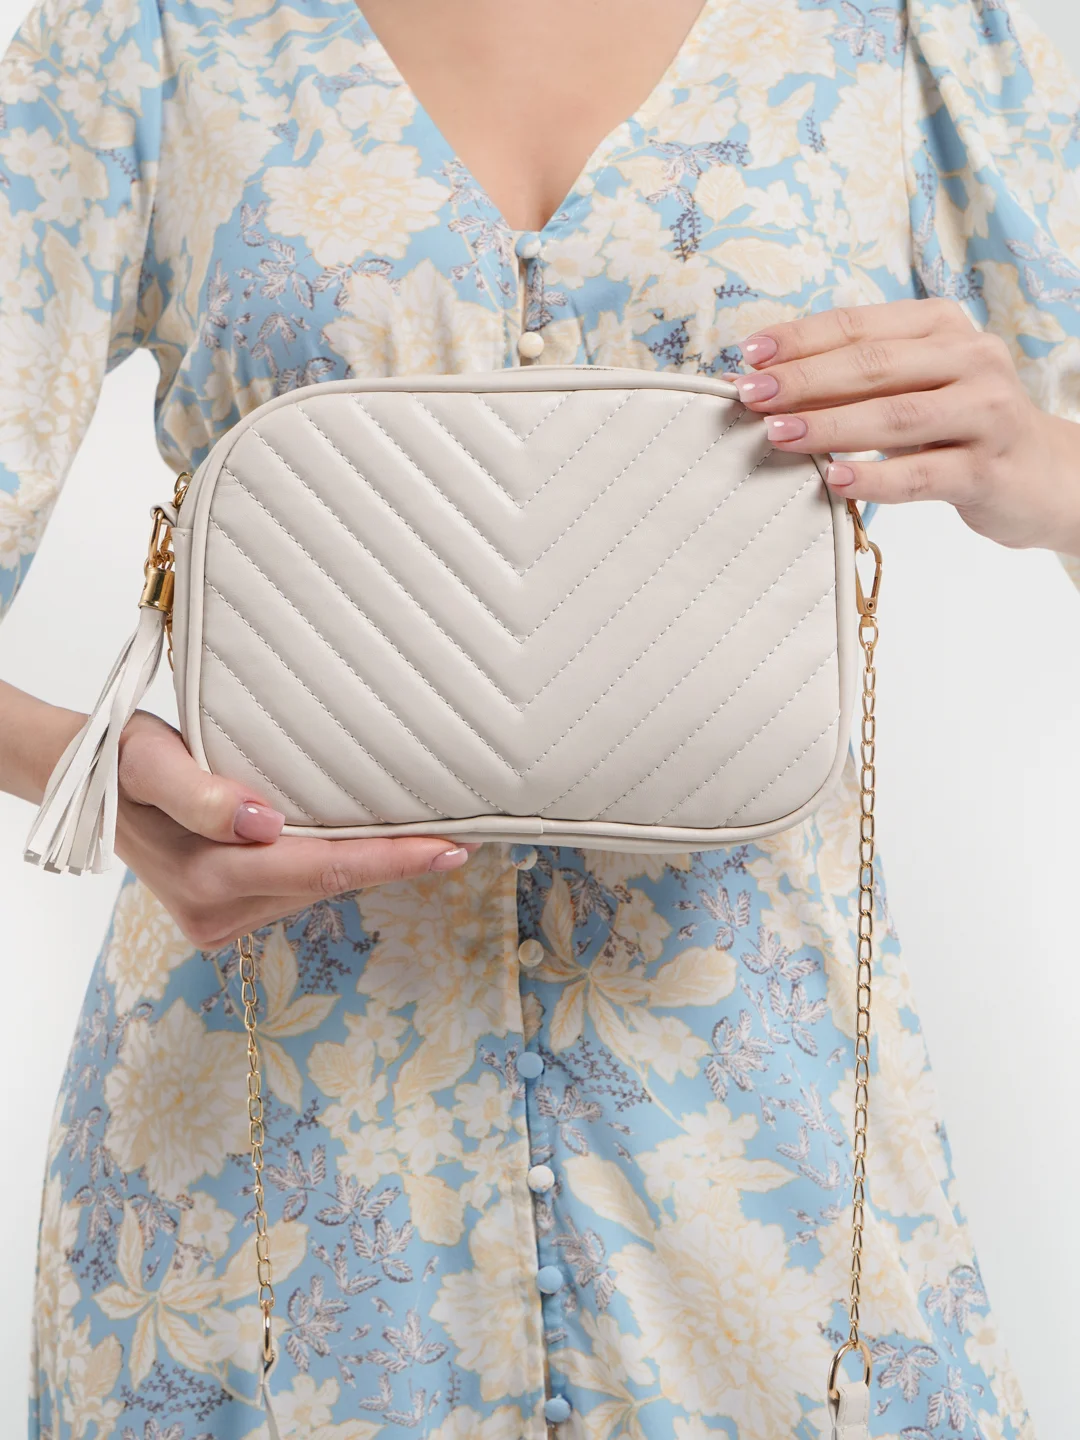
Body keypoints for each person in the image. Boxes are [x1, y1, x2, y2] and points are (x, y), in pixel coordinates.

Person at [2, 0, 1078, 1434]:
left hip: (770, 1173)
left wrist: (1045, 465)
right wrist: (97, 780)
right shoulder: (141, 35)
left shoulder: (910, 36)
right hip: (255, 1196)